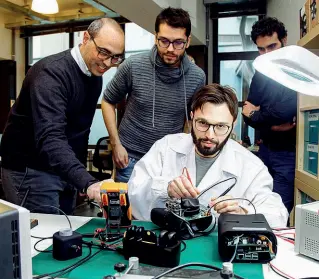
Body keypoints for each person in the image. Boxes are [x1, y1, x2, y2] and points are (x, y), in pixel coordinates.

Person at [0, 18, 125, 214]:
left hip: (62, 170)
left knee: (64, 236)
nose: (108, 63)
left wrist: (78, 177)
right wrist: (87, 182)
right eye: (103, 52)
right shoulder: (51, 73)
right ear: (85, 38)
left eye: (115, 57)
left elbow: (81, 131)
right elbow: (50, 138)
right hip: (30, 169)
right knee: (42, 238)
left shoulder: (94, 76)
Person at [128, 84, 288, 228]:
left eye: (220, 126)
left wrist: (243, 213)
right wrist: (165, 189)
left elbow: (278, 215)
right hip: (167, 242)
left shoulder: (251, 166)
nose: (210, 135)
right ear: (191, 117)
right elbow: (132, 193)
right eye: (203, 123)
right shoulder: (166, 147)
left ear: (234, 123)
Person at [102, 7, 206, 183]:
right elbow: (107, 101)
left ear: (188, 41)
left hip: (168, 163)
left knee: (162, 211)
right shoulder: (133, 66)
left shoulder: (197, 77)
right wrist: (116, 145)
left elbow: (191, 121)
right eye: (164, 41)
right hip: (129, 159)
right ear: (155, 37)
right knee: (128, 211)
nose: (170, 49)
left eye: (178, 43)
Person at [243, 17, 297, 214]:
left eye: (272, 46)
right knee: (256, 207)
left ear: (284, 40)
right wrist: (272, 123)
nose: (266, 54)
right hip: (264, 150)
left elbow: (287, 110)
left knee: (278, 213)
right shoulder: (261, 72)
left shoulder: (296, 69)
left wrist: (258, 115)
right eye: (261, 49)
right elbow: (246, 114)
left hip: (288, 154)